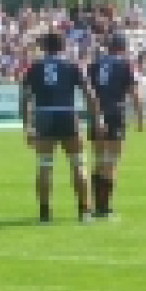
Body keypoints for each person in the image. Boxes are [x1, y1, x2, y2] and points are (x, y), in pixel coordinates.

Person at [19, 30, 103, 224]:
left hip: (43, 115)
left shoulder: (34, 67)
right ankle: (84, 212)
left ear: (44, 47)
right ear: (63, 46)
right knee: (78, 163)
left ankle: (45, 213)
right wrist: (97, 118)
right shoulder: (72, 65)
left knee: (44, 165)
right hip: (67, 114)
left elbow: (24, 98)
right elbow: (89, 93)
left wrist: (27, 126)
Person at [86, 32, 145, 219]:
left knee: (99, 160)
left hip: (96, 114)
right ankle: (104, 209)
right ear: (123, 48)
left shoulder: (94, 64)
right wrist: (140, 117)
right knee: (111, 161)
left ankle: (95, 205)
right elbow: (134, 93)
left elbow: (88, 91)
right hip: (114, 113)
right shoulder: (125, 65)